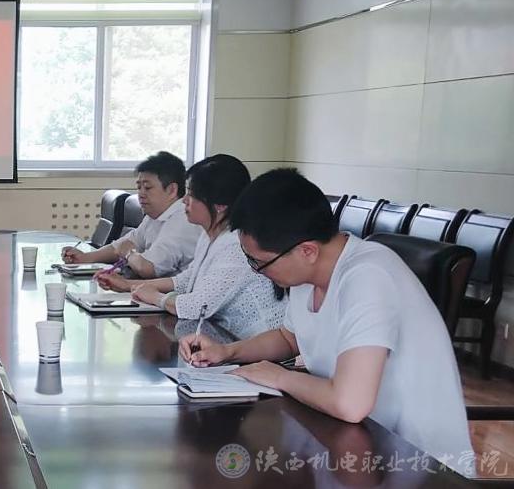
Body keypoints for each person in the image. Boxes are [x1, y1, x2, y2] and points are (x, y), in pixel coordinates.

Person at [179, 169, 473, 476]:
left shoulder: (368, 277)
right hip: (348, 443)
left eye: (260, 262)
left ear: (307, 250)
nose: (257, 271)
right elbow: (289, 337)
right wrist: (228, 352)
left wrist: (279, 377)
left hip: (415, 464)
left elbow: (350, 404)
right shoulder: (307, 273)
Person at [96, 155, 284, 339]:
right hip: (222, 339)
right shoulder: (209, 235)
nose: (184, 200)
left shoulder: (236, 245)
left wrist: (155, 298)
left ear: (220, 205)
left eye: (192, 194)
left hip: (258, 346)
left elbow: (197, 306)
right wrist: (127, 286)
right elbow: (186, 281)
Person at [62, 151, 200, 278]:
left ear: (171, 190)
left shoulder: (183, 219)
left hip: (175, 294)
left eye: (148, 187)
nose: (141, 194)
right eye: (139, 187)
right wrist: (85, 257)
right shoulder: (155, 216)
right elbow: (121, 246)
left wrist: (129, 253)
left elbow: (148, 268)